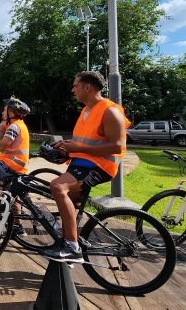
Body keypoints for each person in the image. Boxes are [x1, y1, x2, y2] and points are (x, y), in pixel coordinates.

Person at [40, 71, 130, 263]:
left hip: (99, 166)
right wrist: (66, 146)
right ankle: (66, 244)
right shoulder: (86, 110)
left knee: (57, 186)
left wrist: (78, 147)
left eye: (75, 86)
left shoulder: (110, 111)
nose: (73, 90)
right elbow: (86, 141)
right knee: (68, 207)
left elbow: (117, 146)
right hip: (82, 164)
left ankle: (72, 247)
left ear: (87, 87)